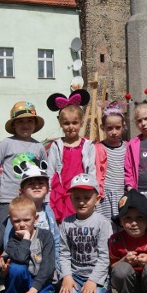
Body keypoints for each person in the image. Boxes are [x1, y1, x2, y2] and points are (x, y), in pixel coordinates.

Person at [0, 101, 46, 251]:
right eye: (20, 121)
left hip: (31, 200)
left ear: (35, 124)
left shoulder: (38, 147)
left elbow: (44, 173)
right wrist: (5, 184)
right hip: (9, 198)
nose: (25, 125)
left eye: (29, 121)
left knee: (29, 231)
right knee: (2, 234)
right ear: (13, 125)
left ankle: (26, 260)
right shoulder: (7, 143)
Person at [57, 174, 112, 293]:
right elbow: (63, 253)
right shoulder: (66, 223)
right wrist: (67, 276)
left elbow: (105, 257)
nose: (81, 202)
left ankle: (104, 292)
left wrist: (93, 280)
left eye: (87, 197)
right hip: (75, 275)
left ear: (97, 199)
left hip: (97, 275)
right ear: (71, 199)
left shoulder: (102, 223)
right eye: (77, 198)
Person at [0, 196, 57, 293]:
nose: (22, 224)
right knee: (16, 268)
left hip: (42, 281)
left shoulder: (45, 236)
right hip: (25, 280)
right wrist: (25, 238)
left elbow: (48, 266)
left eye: (26, 220)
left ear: (35, 219)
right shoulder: (13, 240)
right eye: (17, 221)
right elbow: (20, 258)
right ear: (11, 222)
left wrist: (33, 290)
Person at [47, 89, 95, 223]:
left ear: (81, 122)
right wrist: (49, 194)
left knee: (82, 221)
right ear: (60, 124)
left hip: (81, 190)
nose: (70, 127)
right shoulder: (57, 145)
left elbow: (91, 169)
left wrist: (93, 190)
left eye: (74, 123)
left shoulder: (88, 145)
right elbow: (50, 171)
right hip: (62, 192)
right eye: (66, 123)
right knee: (64, 224)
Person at [4, 153, 60, 267]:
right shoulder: (17, 213)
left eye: (40, 183)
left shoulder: (48, 211)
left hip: (46, 262)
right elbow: (8, 242)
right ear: (22, 191)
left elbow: (56, 238)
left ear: (48, 188)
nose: (37, 186)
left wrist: (57, 263)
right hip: (23, 260)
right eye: (31, 184)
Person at [95, 102, 128, 223]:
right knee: (106, 226)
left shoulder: (127, 147)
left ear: (123, 126)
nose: (114, 132)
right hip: (105, 196)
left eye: (117, 128)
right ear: (102, 127)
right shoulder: (98, 148)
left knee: (122, 225)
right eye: (109, 128)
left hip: (122, 194)